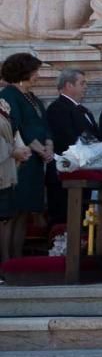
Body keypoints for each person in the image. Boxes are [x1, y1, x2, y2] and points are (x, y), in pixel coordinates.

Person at [0, 54, 53, 260]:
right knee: (10, 215)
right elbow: (17, 127)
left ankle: (17, 260)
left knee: (24, 213)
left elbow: (44, 125)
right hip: (19, 161)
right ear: (24, 72)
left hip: (35, 162)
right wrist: (40, 149)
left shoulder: (33, 97)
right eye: (35, 71)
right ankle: (5, 263)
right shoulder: (9, 95)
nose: (38, 76)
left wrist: (48, 144)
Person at [45, 69, 98, 227]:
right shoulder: (58, 108)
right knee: (65, 218)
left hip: (82, 172)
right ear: (68, 85)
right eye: (82, 83)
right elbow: (66, 138)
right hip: (65, 173)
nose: (85, 87)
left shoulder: (83, 110)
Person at [0, 91, 34, 263]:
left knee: (5, 219)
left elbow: (11, 133)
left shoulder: (3, 104)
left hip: (5, 172)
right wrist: (14, 151)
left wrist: (20, 148)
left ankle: (6, 263)